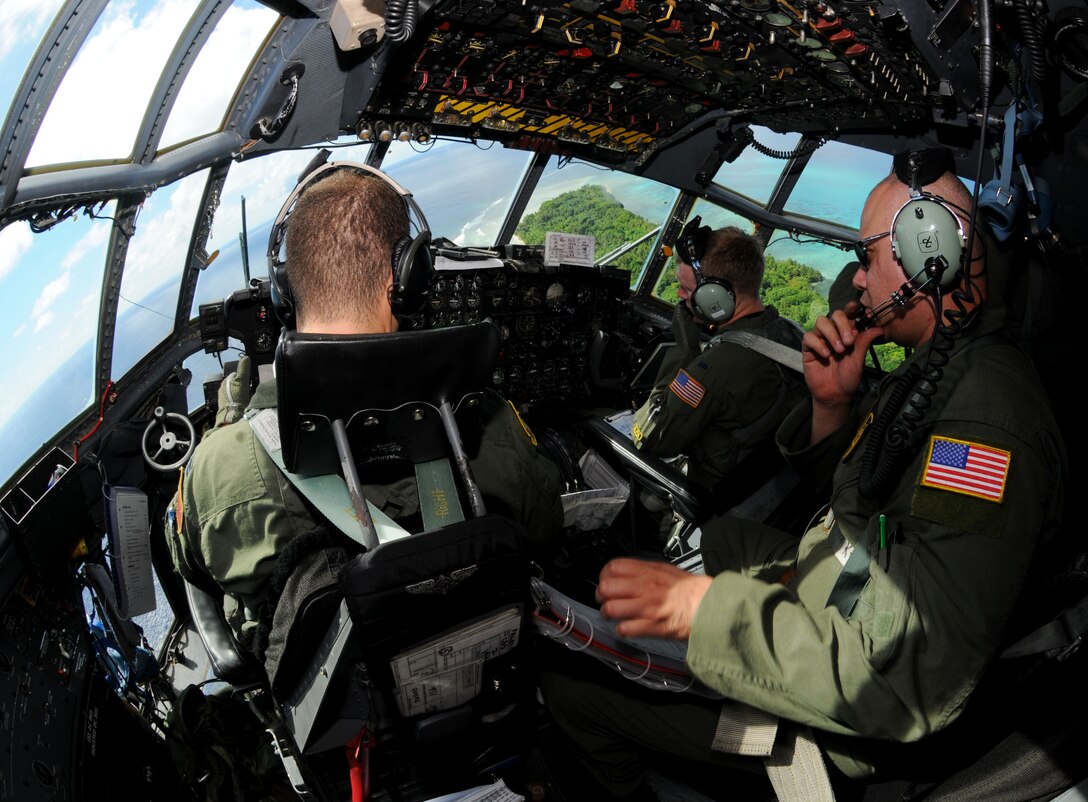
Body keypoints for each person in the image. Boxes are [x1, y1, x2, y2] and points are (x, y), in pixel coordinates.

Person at [540, 151, 1067, 800]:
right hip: (854, 581)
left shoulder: (984, 420)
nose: (860, 283)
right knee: (730, 545)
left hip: (844, 725)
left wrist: (705, 614)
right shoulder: (944, 366)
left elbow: (910, 677)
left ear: (924, 253)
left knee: (574, 690)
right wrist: (831, 406)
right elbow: (863, 506)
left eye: (868, 258)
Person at [166, 161, 564, 654]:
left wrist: (229, 423)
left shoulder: (214, 471)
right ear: (408, 277)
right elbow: (547, 531)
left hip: (344, 723)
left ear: (284, 290)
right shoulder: (488, 424)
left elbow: (187, 558)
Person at [630, 223, 807, 491]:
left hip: (715, 499)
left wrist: (684, 349)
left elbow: (650, 437)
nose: (679, 295)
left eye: (687, 291)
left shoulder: (711, 371)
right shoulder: (792, 333)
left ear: (716, 298)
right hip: (773, 485)